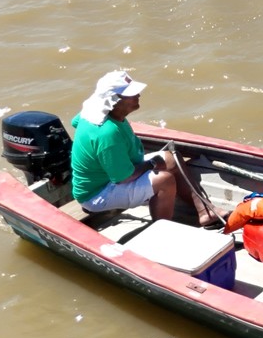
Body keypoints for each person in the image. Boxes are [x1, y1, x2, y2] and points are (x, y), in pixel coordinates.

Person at [69, 71, 212, 225]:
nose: (138, 95)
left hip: (118, 172)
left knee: (172, 158)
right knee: (165, 180)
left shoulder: (90, 111)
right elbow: (123, 178)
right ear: (114, 101)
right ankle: (163, 231)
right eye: (131, 94)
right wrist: (151, 164)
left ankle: (205, 211)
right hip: (98, 193)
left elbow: (75, 122)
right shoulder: (107, 134)